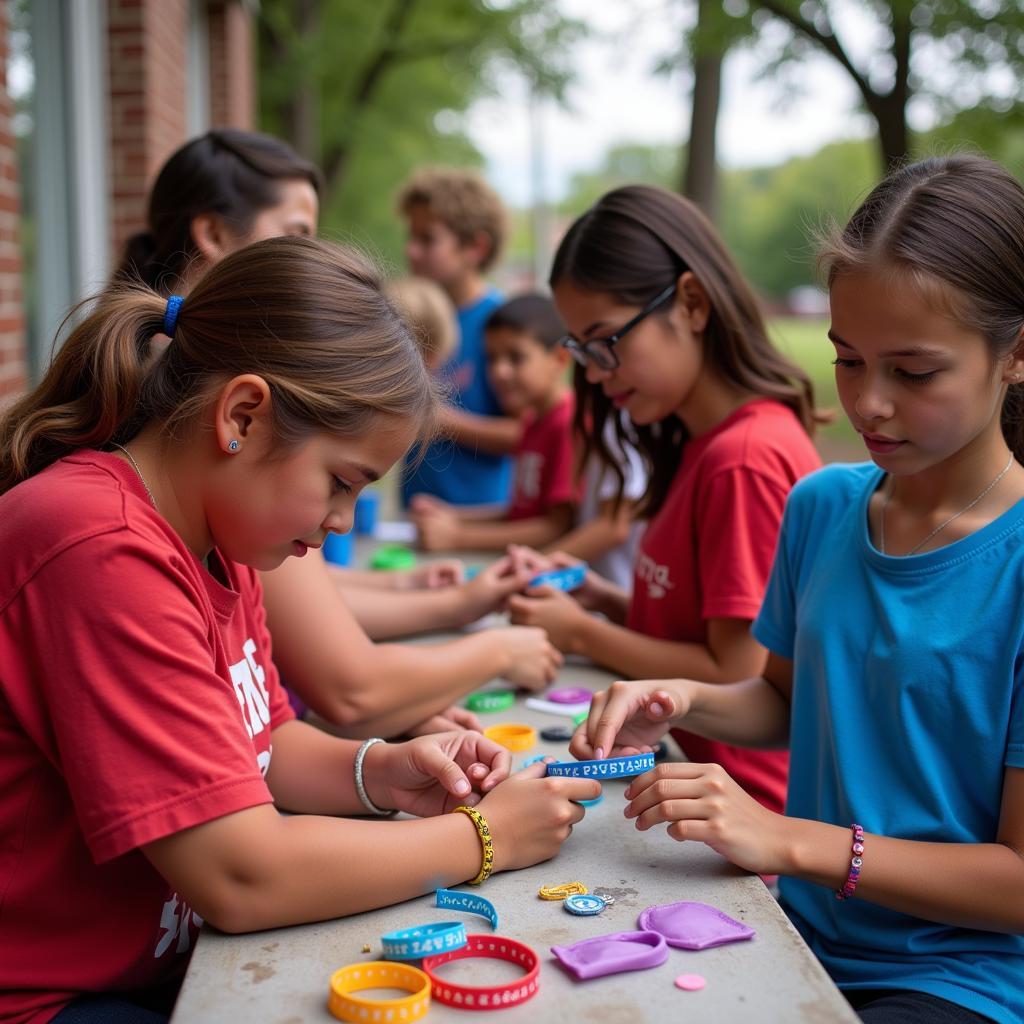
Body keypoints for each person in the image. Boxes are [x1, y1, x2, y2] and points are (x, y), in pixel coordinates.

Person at [0, 237, 600, 1024]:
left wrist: (382, 770)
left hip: (152, 969)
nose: (342, 521)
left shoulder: (217, 532)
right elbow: (243, 876)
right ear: (241, 417)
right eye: (340, 482)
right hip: (49, 1001)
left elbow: (264, 743)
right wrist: (488, 839)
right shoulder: (97, 548)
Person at [573, 156, 1024, 1024]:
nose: (869, 403)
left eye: (915, 372)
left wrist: (790, 839)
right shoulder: (822, 504)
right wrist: (683, 702)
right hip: (794, 933)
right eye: (848, 361)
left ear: (1015, 356)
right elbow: (784, 699)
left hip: (952, 982)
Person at [117, 131, 562, 735]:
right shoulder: (185, 458)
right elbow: (351, 688)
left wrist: (374, 763)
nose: (312, 255)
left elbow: (279, 707)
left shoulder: (231, 487)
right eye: (298, 233)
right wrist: (483, 829)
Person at [508, 185, 822, 813]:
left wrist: (582, 634)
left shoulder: (743, 460)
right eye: (580, 351)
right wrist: (612, 604)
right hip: (687, 783)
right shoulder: (700, 441)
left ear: (691, 303)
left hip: (742, 815)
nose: (594, 373)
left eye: (605, 342)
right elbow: (713, 627)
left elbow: (738, 672)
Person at [411, 294, 576, 552]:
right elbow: (521, 512)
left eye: (516, 358)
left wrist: (458, 538)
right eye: (492, 358)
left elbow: (554, 527)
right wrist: (452, 516)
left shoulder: (566, 424)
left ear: (560, 359)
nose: (500, 371)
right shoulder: (533, 422)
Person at [397, 167, 518, 507]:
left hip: (480, 523)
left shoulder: (503, 325)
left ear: (476, 248)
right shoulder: (411, 317)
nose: (411, 251)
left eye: (428, 239)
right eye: (412, 237)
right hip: (415, 518)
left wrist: (440, 420)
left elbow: (530, 434)